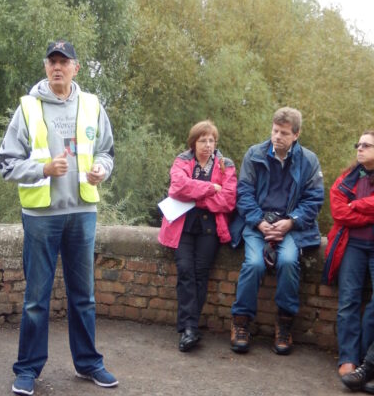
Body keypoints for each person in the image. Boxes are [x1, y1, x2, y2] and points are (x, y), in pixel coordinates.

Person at [0, 40, 117, 396]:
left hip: (82, 212)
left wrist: (101, 170)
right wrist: (43, 168)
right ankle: (28, 370)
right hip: (41, 216)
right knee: (36, 297)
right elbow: (5, 163)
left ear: (77, 68)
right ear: (46, 68)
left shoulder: (93, 105)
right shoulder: (28, 108)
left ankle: (89, 363)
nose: (58, 67)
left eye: (65, 61)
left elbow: (107, 152)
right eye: (52, 62)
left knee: (85, 296)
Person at [229, 107, 324, 355]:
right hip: (256, 223)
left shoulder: (309, 161)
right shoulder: (255, 154)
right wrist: (260, 222)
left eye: (283, 133)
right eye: (274, 131)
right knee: (254, 264)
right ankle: (241, 322)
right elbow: (244, 193)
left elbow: (314, 200)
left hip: (290, 226)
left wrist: (291, 222)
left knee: (289, 261)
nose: (277, 137)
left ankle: (284, 324)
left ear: (296, 134)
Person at [158, 121, 237, 352]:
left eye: (211, 140)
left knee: (200, 273)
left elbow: (229, 200)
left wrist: (196, 196)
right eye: (203, 140)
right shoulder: (182, 160)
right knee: (185, 270)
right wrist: (212, 188)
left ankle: (189, 329)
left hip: (210, 226)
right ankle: (189, 328)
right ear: (194, 142)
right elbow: (177, 188)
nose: (208, 145)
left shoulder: (226, 165)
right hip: (183, 223)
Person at [322, 131, 374, 380]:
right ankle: (349, 358)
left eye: (367, 145)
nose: (360, 149)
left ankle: (368, 359)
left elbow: (351, 208)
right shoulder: (348, 178)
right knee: (348, 300)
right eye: (359, 144)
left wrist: (358, 205)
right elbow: (340, 212)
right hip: (352, 244)